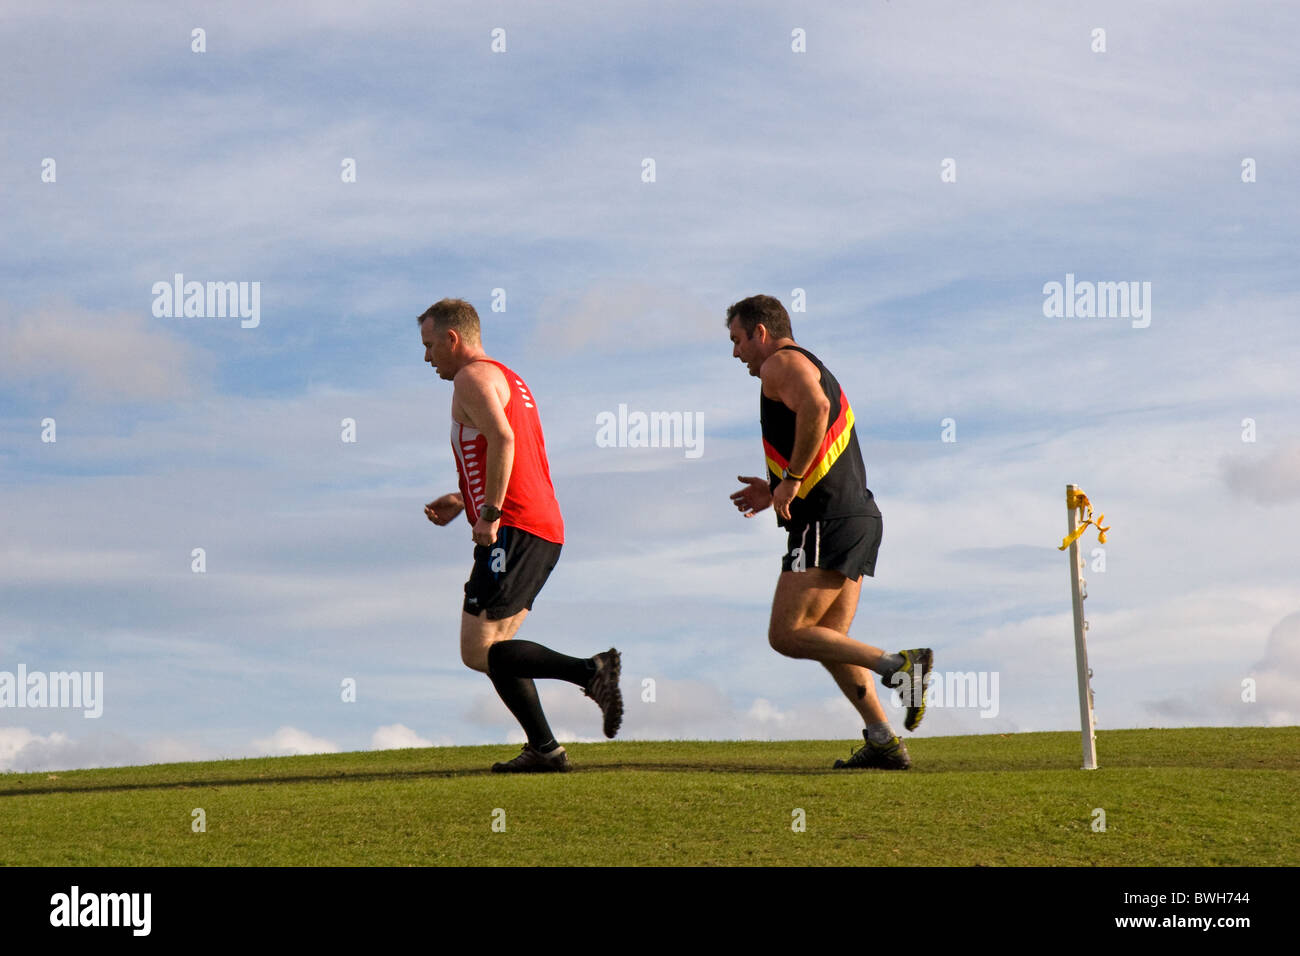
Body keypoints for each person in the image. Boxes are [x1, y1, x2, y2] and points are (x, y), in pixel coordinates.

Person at [726, 294, 933, 769]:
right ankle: (883, 739)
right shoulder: (805, 364)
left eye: (737, 340)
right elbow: (818, 422)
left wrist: (792, 480)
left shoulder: (781, 362)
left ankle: (900, 666)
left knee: (786, 634)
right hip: (857, 517)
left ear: (761, 332)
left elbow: (816, 409)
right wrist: (775, 486)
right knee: (827, 640)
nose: (736, 354)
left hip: (826, 519)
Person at [418, 298, 622, 772]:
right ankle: (546, 749)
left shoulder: (471, 377)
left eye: (430, 346)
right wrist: (463, 498)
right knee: (495, 653)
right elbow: (509, 450)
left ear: (453, 339)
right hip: (540, 525)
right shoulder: (508, 376)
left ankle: (591, 671)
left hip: (514, 526)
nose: (427, 358)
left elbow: (505, 441)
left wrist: (487, 513)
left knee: (478, 651)